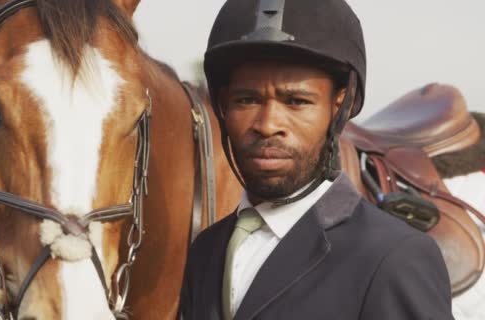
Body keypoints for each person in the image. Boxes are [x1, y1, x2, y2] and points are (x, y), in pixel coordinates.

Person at [177, 0, 454, 319]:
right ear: (224, 106)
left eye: (296, 101)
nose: (268, 125)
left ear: (338, 107)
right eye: (247, 99)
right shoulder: (205, 251)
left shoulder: (394, 257)